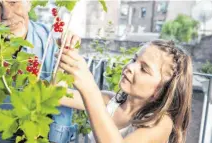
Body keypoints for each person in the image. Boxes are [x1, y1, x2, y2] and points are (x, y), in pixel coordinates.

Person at [56, 39, 193, 143]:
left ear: (161, 90)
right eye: (134, 59)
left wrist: (90, 90)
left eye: (144, 69)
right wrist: (66, 54)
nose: (130, 67)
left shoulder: (161, 123)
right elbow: (56, 95)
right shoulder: (109, 101)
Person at [0, 1, 80, 143]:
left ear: (29, 3)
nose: (7, 14)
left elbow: (70, 100)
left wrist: (67, 56)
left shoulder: (54, 42)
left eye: (13, 1)